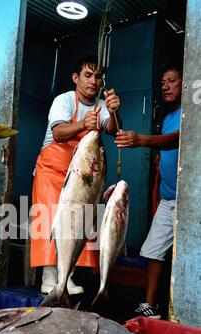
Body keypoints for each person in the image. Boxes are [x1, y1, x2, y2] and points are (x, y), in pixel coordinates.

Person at [30, 55, 121, 295]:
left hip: (81, 174)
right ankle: (49, 278)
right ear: (75, 78)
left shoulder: (101, 105)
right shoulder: (64, 100)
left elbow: (112, 129)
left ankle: (66, 275)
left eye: (98, 76)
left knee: (79, 221)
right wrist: (82, 124)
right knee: (50, 218)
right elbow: (59, 133)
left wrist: (112, 112)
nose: (94, 81)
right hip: (52, 169)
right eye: (88, 75)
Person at [115, 64, 182, 317]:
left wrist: (142, 140)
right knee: (153, 250)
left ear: (184, 84)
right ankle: (150, 305)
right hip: (167, 197)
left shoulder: (191, 113)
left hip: (188, 201)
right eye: (163, 81)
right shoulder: (165, 118)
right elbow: (167, 146)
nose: (165, 85)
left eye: (172, 81)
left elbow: (178, 138)